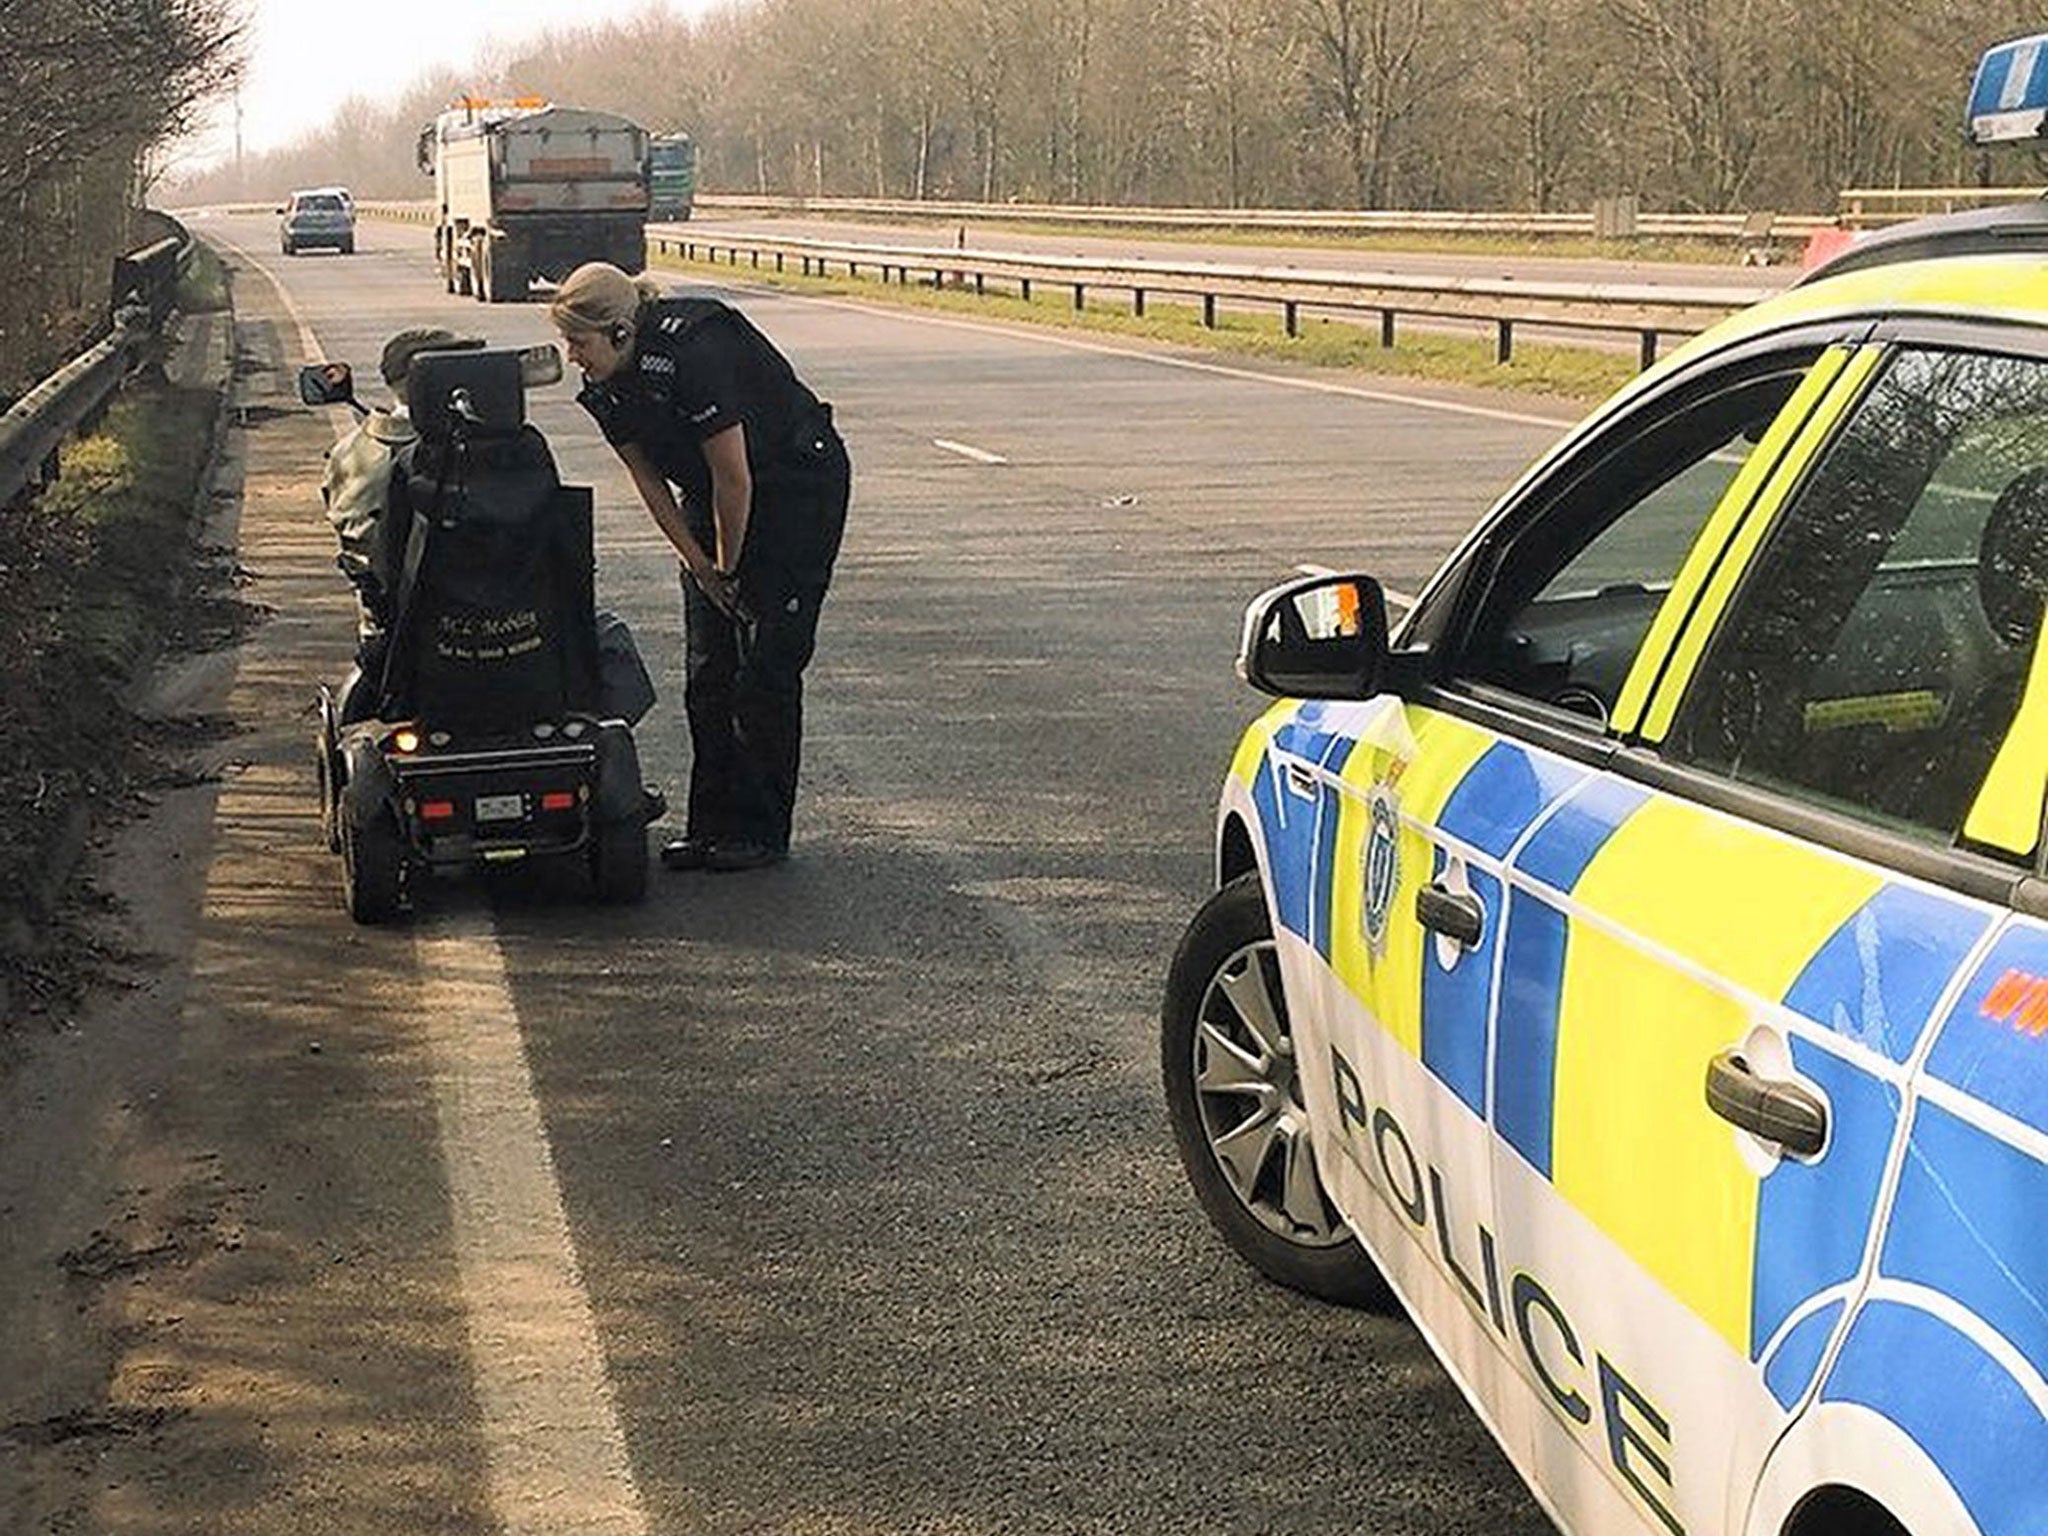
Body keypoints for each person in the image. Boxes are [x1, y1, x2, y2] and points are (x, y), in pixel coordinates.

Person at [548, 263, 850, 873]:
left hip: (790, 487)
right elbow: (651, 483)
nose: (571, 355)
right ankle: (711, 827)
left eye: (579, 342)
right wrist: (699, 567)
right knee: (709, 671)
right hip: (712, 496)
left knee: (763, 669)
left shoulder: (695, 351)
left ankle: (760, 834)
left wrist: (730, 569)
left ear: (620, 332)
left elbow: (734, 477)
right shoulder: (608, 386)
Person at [320, 326, 471, 720]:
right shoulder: (494, 447)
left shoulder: (351, 454)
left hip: (395, 646)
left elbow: (348, 533)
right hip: (504, 632)